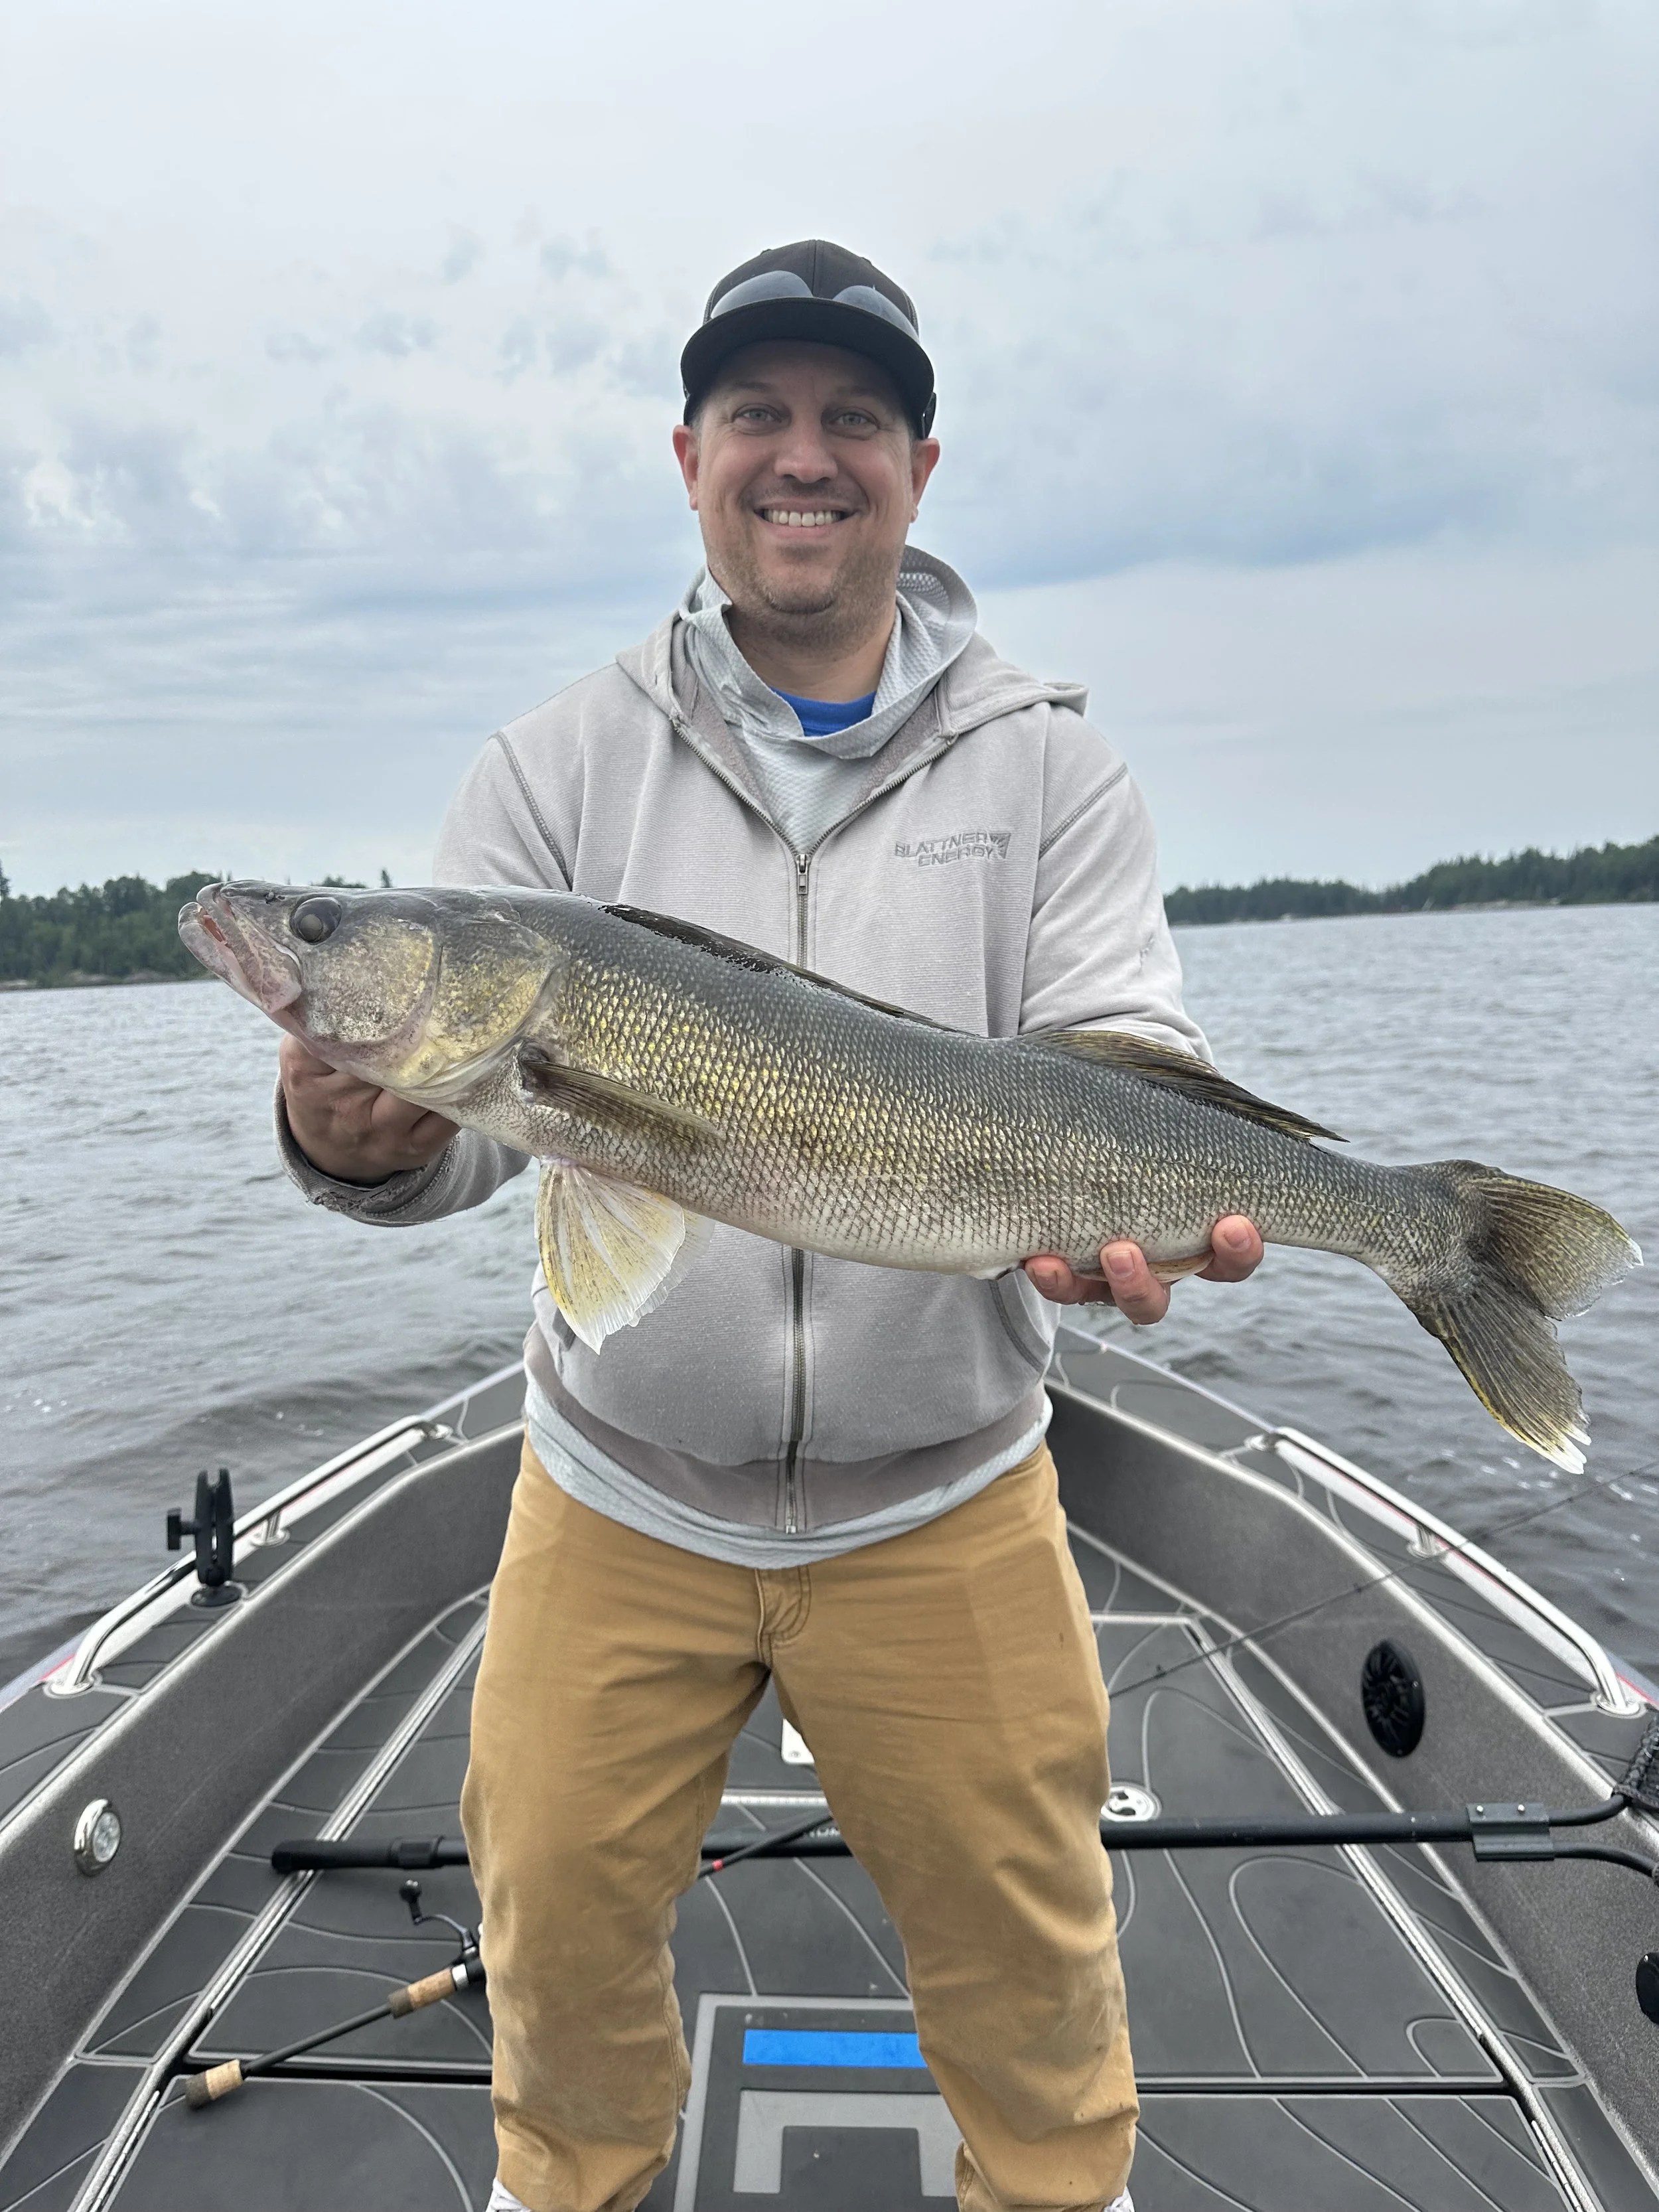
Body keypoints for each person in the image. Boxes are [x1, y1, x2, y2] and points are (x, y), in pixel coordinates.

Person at [277, 239, 1263, 2212]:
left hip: (947, 1491)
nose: (799, 458)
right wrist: (355, 1125)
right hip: (621, 1484)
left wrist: (1123, 1216)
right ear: (687, 454)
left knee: (1031, 1966)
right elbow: (478, 1144)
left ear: (916, 466)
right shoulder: (550, 775)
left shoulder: (1049, 765)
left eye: (849, 420)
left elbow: (1124, 1045)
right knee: (548, 1931)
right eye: (757, 417)